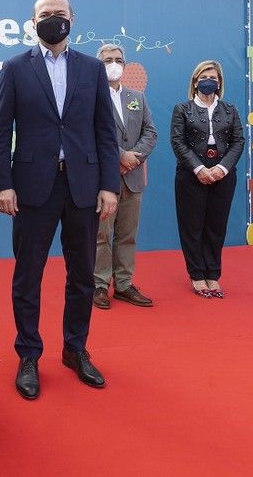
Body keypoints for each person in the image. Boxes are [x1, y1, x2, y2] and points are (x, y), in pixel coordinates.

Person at [0, 0, 120, 401]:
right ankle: (28, 355)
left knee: (82, 275)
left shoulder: (92, 69)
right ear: (33, 23)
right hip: (31, 188)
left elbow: (105, 132)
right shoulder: (14, 68)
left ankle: (75, 349)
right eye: (45, 14)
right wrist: (4, 183)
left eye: (59, 13)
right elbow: (0, 132)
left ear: (72, 19)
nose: (53, 19)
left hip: (82, 186)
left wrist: (109, 185)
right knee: (28, 276)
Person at [169, 60, 244, 298]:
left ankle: (213, 274)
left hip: (223, 174)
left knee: (216, 226)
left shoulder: (230, 110)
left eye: (212, 77)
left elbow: (238, 141)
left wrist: (221, 169)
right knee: (192, 227)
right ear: (194, 82)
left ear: (220, 82)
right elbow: (178, 142)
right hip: (191, 175)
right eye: (202, 77)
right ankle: (196, 275)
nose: (208, 81)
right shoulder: (182, 109)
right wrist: (199, 169)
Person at [92, 44, 158, 309]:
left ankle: (124, 284)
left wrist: (134, 157)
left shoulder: (137, 97)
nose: (114, 63)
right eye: (108, 60)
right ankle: (98, 284)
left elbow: (150, 132)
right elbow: (90, 133)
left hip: (133, 176)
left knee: (127, 234)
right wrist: (119, 155)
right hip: (103, 178)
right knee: (101, 235)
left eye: (118, 59)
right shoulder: (91, 96)